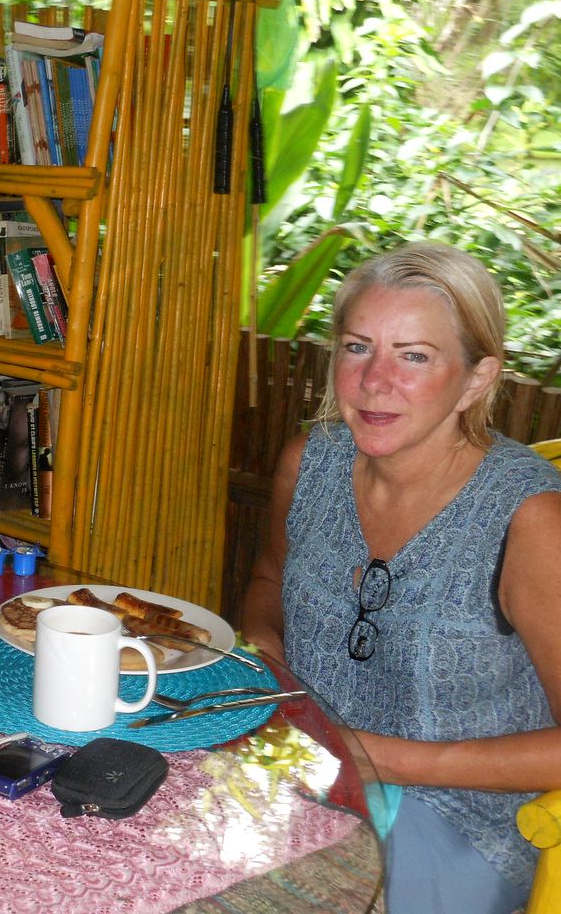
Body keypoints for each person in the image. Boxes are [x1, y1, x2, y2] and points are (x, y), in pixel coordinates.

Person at [240, 241, 561, 912]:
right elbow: (269, 583)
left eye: (414, 356)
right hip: (301, 772)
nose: (374, 381)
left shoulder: (530, 520)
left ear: (475, 380)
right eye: (358, 348)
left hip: (464, 818)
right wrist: (265, 669)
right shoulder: (310, 464)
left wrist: (376, 756)